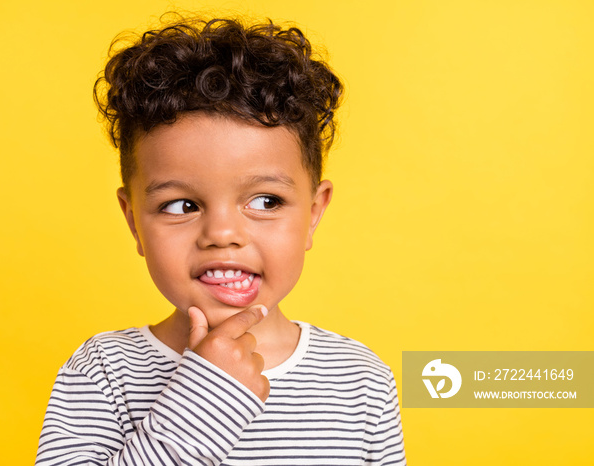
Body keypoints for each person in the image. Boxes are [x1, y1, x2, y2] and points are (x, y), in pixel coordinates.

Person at [35, 15, 406, 466]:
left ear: (313, 214)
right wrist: (204, 403)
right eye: (181, 206)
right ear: (134, 222)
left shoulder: (361, 381)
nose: (222, 235)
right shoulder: (104, 373)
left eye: (266, 201)